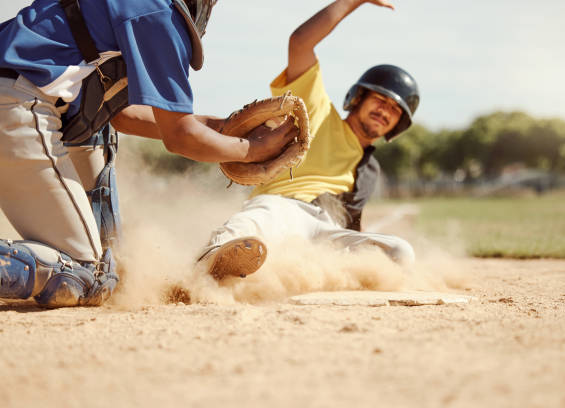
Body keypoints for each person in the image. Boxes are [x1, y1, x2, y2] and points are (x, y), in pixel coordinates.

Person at [0, 0, 297, 307]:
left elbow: (125, 115)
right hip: (16, 103)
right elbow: (180, 136)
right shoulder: (159, 13)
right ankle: (84, 262)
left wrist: (223, 128)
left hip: (22, 97)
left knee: (112, 266)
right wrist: (251, 152)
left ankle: (114, 261)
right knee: (85, 275)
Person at [196, 0, 420, 280]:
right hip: (285, 208)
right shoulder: (318, 112)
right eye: (381, 100)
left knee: (400, 252)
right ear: (358, 97)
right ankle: (208, 265)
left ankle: (303, 275)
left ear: (398, 124)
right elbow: (300, 43)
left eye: (394, 110)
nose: (385, 111)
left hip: (326, 232)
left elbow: (351, 225)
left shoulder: (369, 170)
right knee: (260, 219)